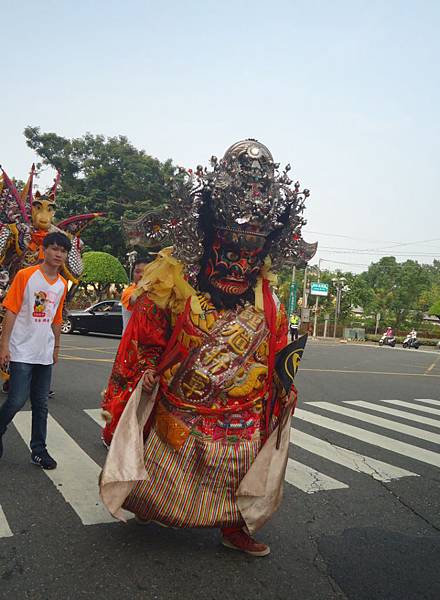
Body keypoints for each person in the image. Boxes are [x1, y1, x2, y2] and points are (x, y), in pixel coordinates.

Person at [99, 139, 317, 556]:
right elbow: (145, 337)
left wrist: (283, 383)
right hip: (182, 402)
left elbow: (278, 347)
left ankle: (235, 526)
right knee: (162, 466)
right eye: (230, 250)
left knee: (241, 469)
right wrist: (147, 369)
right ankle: (141, 498)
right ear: (209, 239)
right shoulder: (173, 285)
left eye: (251, 253)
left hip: (244, 409)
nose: (239, 264)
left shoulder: (267, 299)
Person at [0, 232, 69, 468]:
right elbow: (11, 309)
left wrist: (56, 347)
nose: (58, 254)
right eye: (54, 248)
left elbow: (56, 319)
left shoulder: (62, 284)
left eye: (63, 250)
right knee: (17, 399)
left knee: (41, 403)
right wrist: (4, 345)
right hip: (20, 349)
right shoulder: (26, 276)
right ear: (44, 250)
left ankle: (39, 450)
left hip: (44, 352)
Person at [120, 258, 148, 333]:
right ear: (133, 274)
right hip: (131, 340)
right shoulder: (128, 292)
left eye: (146, 272)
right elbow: (133, 300)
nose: (141, 275)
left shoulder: (157, 292)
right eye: (137, 272)